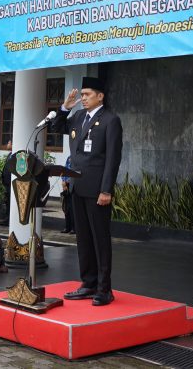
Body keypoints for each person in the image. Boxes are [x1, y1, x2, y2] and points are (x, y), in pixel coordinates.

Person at [51, 76, 124, 307]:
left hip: (97, 189)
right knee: (83, 239)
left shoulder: (110, 120)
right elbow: (56, 127)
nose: (83, 98)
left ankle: (104, 289)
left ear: (100, 96)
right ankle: (88, 283)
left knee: (99, 239)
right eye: (81, 95)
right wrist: (65, 108)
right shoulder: (79, 116)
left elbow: (112, 158)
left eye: (87, 94)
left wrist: (106, 190)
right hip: (77, 186)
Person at [60, 155, 74, 234]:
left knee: (72, 208)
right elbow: (65, 170)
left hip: (73, 186)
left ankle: (74, 228)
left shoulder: (78, 158)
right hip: (66, 185)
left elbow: (75, 172)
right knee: (66, 208)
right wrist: (63, 181)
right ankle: (67, 227)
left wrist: (67, 182)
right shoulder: (69, 157)